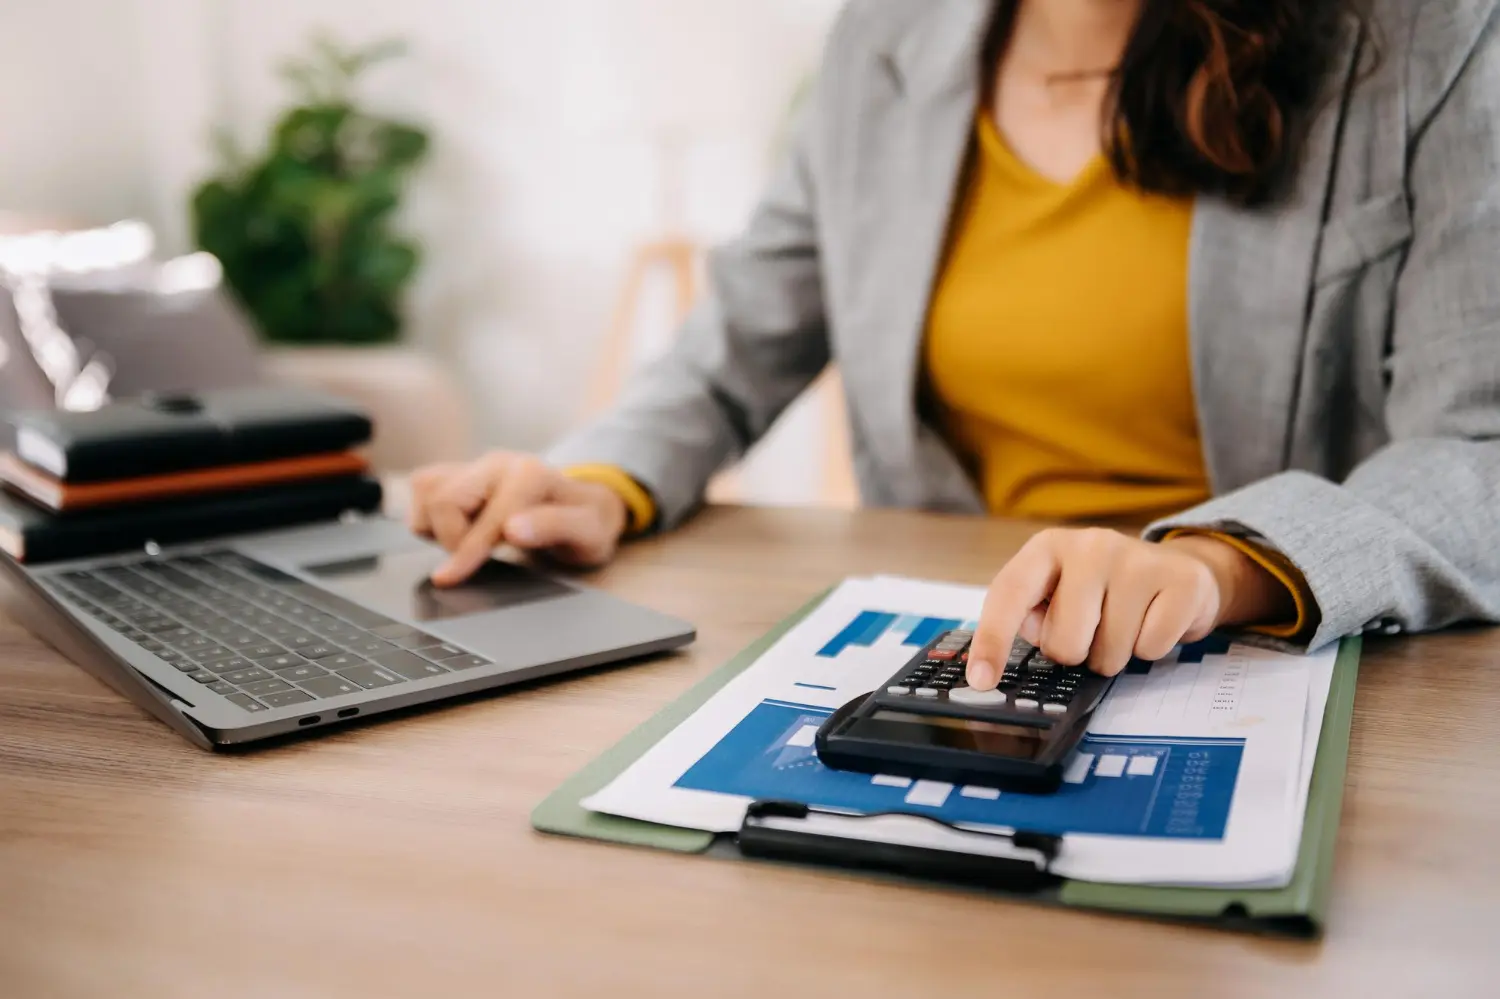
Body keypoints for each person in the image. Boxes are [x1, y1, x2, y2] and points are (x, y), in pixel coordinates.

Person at [409, 0, 1500, 691]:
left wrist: (1216, 567)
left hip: (1261, 664)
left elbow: (1476, 449)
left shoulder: (1424, 39)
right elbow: (738, 337)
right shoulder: (885, 35)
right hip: (957, 657)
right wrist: (599, 480)